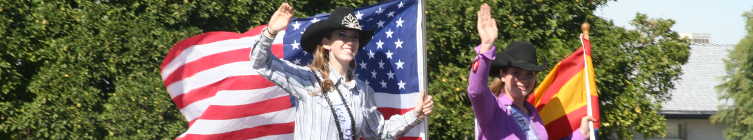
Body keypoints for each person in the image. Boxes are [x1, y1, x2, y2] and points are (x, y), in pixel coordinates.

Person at [249, 3, 433, 140]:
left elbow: (379, 132)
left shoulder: (362, 91)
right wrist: (270, 32)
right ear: (327, 43)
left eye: (354, 38)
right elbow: (261, 63)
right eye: (342, 36)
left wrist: (416, 114)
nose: (349, 42)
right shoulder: (309, 79)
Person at [467, 3, 592, 140]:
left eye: (529, 74)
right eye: (516, 73)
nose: (523, 80)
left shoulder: (532, 113)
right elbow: (476, 91)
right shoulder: (492, 109)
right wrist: (485, 48)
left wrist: (580, 135)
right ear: (503, 75)